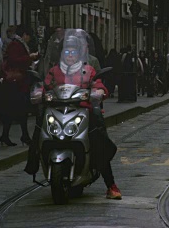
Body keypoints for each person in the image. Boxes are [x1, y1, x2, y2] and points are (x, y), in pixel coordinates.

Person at [31, 30, 122, 199]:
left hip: (83, 110)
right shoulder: (55, 71)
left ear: (79, 53)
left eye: (73, 52)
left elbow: (98, 83)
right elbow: (45, 85)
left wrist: (98, 92)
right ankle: (33, 162)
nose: (70, 55)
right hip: (58, 110)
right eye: (67, 52)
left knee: (98, 141)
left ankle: (111, 185)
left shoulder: (88, 70)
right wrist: (38, 92)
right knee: (38, 130)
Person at [0, 25, 37, 146]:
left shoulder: (17, 44)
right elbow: (14, 60)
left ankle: (21, 135)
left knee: (20, 110)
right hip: (15, 83)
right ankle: (11, 135)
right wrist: (29, 57)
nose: (29, 39)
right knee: (16, 109)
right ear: (25, 35)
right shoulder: (16, 44)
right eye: (28, 36)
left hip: (19, 82)